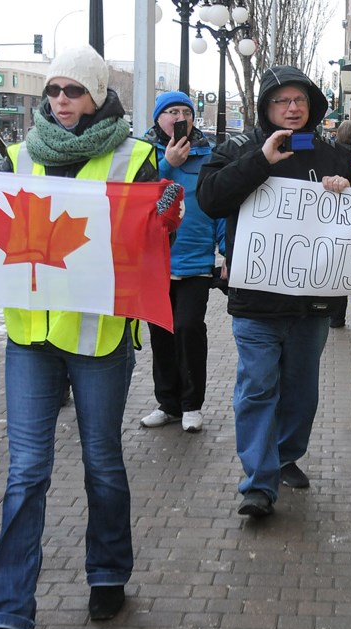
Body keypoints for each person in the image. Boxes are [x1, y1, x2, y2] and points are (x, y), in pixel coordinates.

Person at [0, 46, 172, 629]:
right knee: (26, 473)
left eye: (73, 91)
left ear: (97, 95)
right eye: (53, 91)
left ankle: (108, 571)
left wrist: (166, 213)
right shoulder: (15, 157)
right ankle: (7, 610)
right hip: (30, 337)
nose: (61, 101)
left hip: (97, 336)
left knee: (102, 463)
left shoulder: (135, 158)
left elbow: (149, 238)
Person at [196, 65, 351, 518]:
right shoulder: (239, 148)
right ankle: (258, 482)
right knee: (256, 387)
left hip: (312, 301)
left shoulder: (330, 153)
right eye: (281, 101)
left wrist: (348, 188)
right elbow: (210, 197)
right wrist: (261, 162)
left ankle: (285, 455)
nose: (291, 109)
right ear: (266, 108)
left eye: (299, 101)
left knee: (300, 391)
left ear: (312, 107)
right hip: (256, 299)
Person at [139, 91, 226, 433]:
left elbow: (217, 206)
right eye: (170, 111)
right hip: (155, 263)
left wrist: (226, 250)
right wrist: (167, 165)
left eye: (185, 111)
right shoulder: (145, 156)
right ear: (158, 119)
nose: (178, 117)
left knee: (189, 328)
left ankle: (192, 404)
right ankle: (168, 403)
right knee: (160, 334)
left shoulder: (208, 156)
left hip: (196, 263)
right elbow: (136, 198)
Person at [328, 119, 351, 329]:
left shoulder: (329, 153)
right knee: (341, 268)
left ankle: (331, 315)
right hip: (349, 221)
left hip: (328, 220)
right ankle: (338, 317)